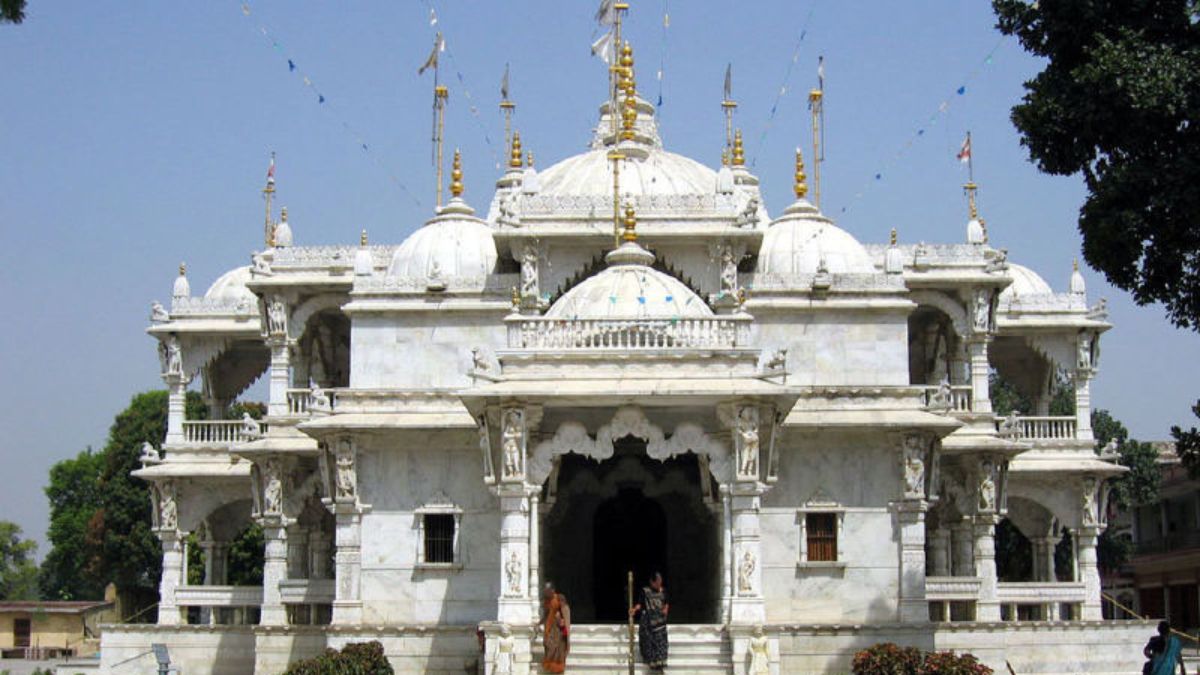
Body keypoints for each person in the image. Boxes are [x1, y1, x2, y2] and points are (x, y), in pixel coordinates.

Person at [629, 572, 669, 671]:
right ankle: (651, 661)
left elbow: (666, 603)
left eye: (660, 582)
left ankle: (660, 662)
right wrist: (634, 609)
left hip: (660, 621)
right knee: (648, 640)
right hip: (648, 620)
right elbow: (640, 604)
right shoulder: (645, 591)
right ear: (652, 582)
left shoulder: (663, 591)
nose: (659, 584)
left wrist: (665, 610)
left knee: (661, 642)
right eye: (657, 582)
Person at [542, 583, 570, 673]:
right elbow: (546, 614)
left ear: (552, 590)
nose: (546, 592)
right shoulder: (546, 601)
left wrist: (562, 621)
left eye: (548, 590)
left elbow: (565, 610)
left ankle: (558, 670)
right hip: (549, 627)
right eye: (545, 591)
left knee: (558, 649)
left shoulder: (559, 598)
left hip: (558, 629)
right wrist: (538, 623)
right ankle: (550, 669)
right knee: (548, 646)